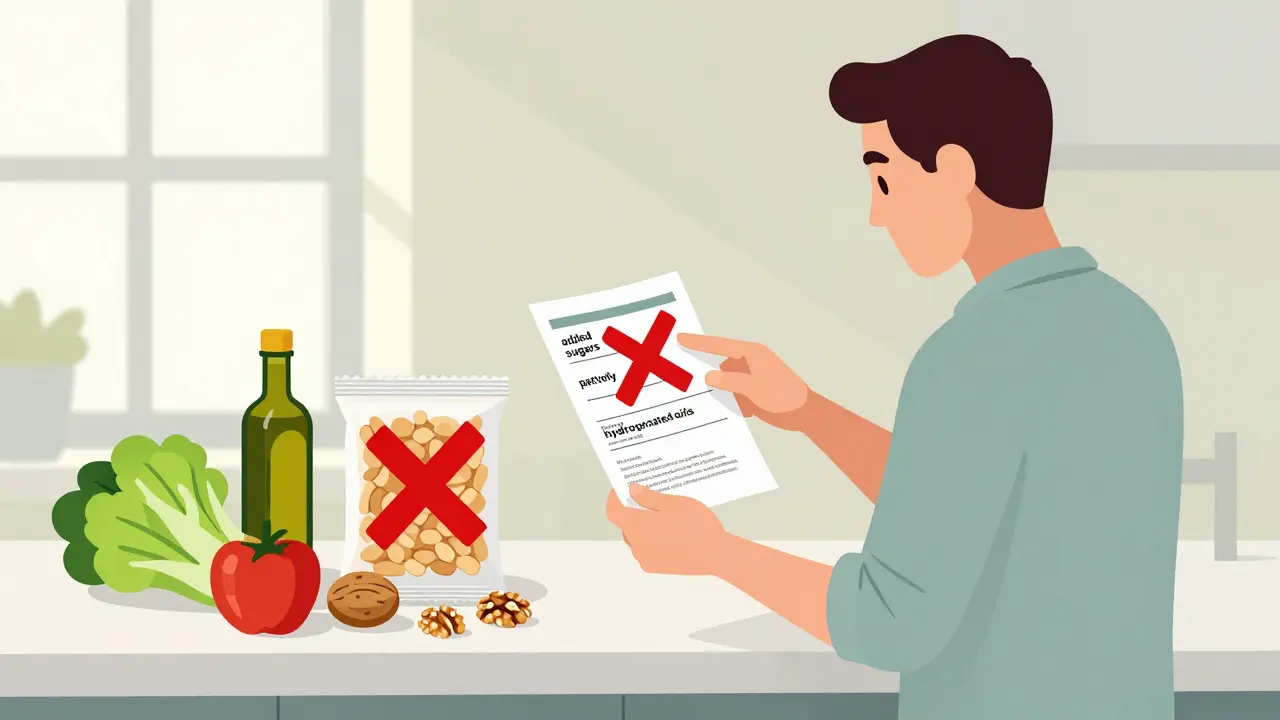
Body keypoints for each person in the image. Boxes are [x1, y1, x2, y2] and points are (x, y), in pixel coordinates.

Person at [605, 34, 1184, 720]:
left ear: (954, 169)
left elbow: (889, 622)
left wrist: (716, 553)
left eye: (884, 176)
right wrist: (810, 412)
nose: (879, 213)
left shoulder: (969, 354)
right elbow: (975, 513)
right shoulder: (1135, 330)